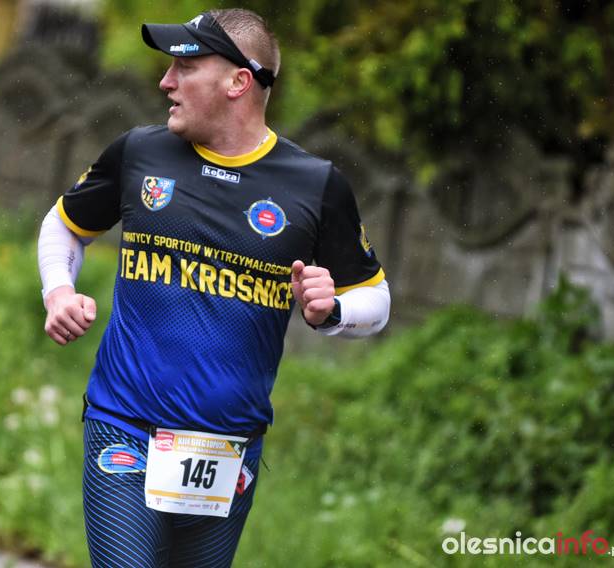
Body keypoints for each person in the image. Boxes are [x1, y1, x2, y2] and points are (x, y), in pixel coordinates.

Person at [37, 8, 391, 567]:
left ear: (238, 81)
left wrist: (332, 310)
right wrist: (58, 290)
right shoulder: (139, 153)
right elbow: (64, 225)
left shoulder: (316, 185)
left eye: (185, 67)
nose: (165, 82)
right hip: (124, 428)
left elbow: (377, 300)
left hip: (229, 448)